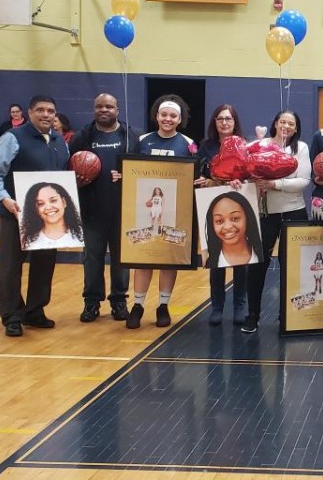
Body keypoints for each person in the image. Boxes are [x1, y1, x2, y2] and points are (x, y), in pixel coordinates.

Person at [0, 95, 70, 337]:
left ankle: (35, 311)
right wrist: (5, 199)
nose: (46, 114)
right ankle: (12, 316)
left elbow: (63, 178)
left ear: (55, 114)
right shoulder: (13, 137)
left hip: (48, 216)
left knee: (44, 264)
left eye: (50, 110)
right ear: (29, 113)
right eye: (40, 110)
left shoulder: (59, 141)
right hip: (16, 213)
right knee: (11, 266)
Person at [127, 95, 195, 329]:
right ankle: (137, 305)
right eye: (163, 114)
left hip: (174, 211)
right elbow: (131, 169)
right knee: (143, 259)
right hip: (143, 211)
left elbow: (193, 175)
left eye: (173, 115)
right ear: (156, 116)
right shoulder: (143, 140)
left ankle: (163, 305)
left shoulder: (187, 143)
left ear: (179, 119)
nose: (168, 118)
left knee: (168, 260)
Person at [69, 93, 139, 323]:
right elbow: (68, 172)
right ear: (94, 109)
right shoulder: (82, 137)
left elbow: (142, 171)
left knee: (121, 260)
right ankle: (91, 303)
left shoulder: (130, 137)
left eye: (109, 106)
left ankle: (119, 301)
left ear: (117, 110)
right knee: (92, 259)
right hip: (92, 210)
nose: (104, 110)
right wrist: (76, 180)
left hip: (122, 211)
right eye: (99, 106)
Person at [241, 109, 311, 333]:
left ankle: (288, 316)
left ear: (296, 128)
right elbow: (244, 175)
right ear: (275, 123)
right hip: (264, 214)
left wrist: (274, 185)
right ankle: (252, 315)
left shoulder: (301, 148)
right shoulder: (258, 145)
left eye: (291, 124)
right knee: (257, 265)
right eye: (283, 122)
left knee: (291, 265)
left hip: (294, 211)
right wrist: (252, 181)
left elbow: (303, 181)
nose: (287, 126)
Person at [194, 104, 250, 326]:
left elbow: (250, 175)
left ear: (235, 122)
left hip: (239, 204)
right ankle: (216, 306)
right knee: (215, 259)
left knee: (241, 258)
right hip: (213, 205)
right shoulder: (205, 147)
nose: (224, 123)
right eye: (220, 119)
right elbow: (200, 176)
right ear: (214, 122)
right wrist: (213, 180)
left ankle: (239, 306)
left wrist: (238, 180)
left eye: (228, 119)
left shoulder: (244, 145)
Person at [205, 191, 263, 266]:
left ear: (248, 218)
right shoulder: (209, 261)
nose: (227, 227)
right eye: (219, 221)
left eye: (235, 218)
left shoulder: (260, 254)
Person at [20, 182, 84, 249]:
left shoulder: (83, 234)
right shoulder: (28, 243)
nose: (48, 207)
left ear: (64, 202)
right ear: (36, 210)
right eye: (40, 203)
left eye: (53, 200)